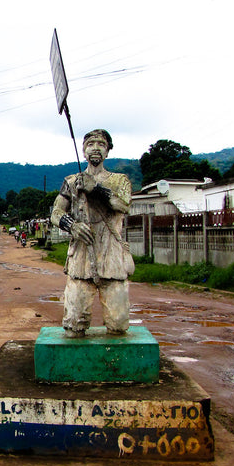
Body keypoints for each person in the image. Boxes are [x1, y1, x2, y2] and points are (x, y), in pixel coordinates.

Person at [51, 129, 135, 338]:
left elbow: (122, 204)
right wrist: (72, 225)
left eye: (101, 144)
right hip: (81, 257)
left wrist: (95, 188)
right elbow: (56, 212)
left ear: (107, 152)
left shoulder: (119, 180)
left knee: (118, 323)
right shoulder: (71, 181)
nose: (95, 148)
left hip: (111, 256)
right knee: (74, 324)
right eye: (90, 144)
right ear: (83, 150)